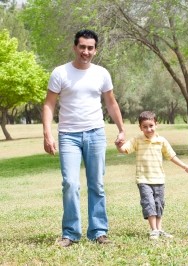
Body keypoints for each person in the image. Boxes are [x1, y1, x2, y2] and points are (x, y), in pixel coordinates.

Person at [42, 29, 125, 247]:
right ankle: (70, 233)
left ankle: (98, 231)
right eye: (82, 47)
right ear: (74, 47)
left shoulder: (102, 74)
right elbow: (49, 104)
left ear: (95, 50)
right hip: (68, 135)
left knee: (97, 184)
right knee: (70, 183)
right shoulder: (60, 73)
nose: (85, 51)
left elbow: (111, 103)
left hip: (96, 133)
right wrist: (47, 133)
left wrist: (121, 129)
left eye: (90, 48)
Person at [116, 111, 188, 240]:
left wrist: (184, 166)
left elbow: (171, 156)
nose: (148, 129)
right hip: (143, 179)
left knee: (159, 204)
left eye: (151, 125)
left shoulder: (161, 141)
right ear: (140, 127)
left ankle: (159, 229)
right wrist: (119, 145)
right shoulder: (137, 140)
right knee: (149, 203)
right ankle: (153, 230)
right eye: (145, 126)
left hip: (159, 179)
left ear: (156, 124)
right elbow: (125, 149)